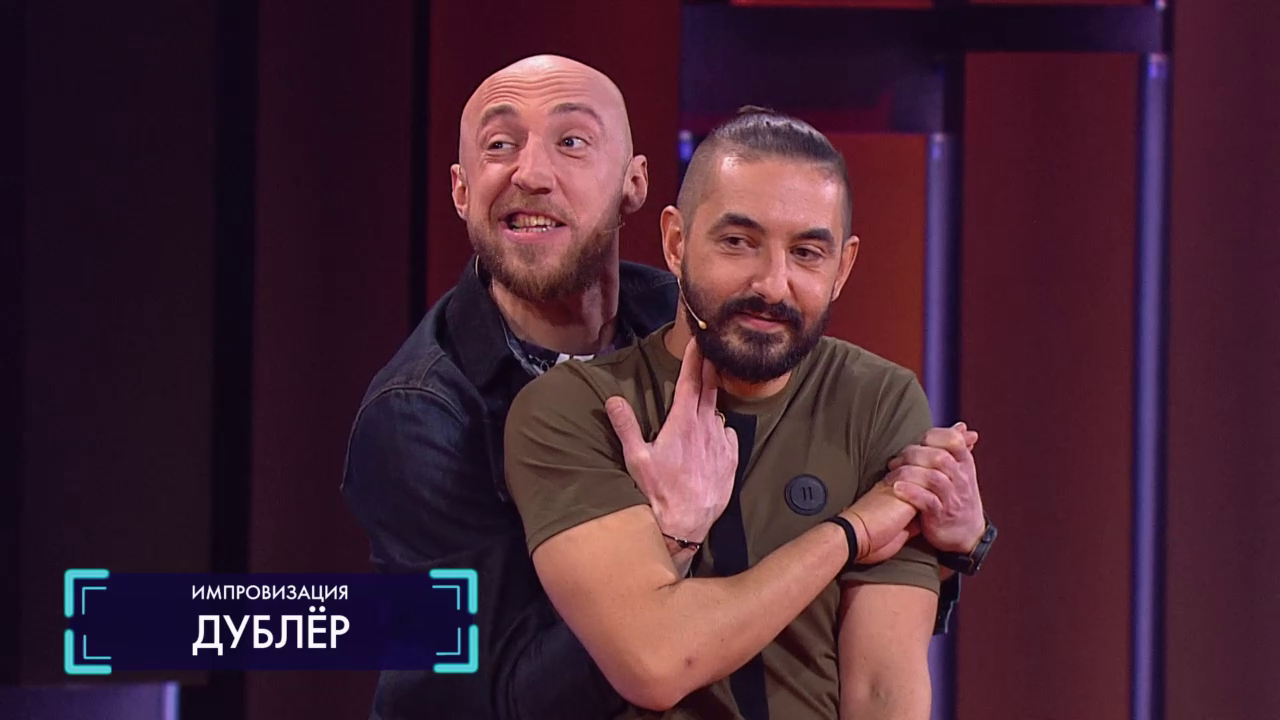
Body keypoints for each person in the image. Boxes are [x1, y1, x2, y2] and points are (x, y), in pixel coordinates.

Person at [342, 55, 991, 720]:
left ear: (635, 185)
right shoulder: (415, 416)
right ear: (459, 190)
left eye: (571, 141)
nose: (530, 173)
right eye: (500, 145)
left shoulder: (705, 318)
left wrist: (947, 540)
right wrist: (674, 538)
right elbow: (498, 694)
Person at [502, 107, 995, 719]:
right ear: (676, 242)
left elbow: (882, 691)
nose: (773, 284)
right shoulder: (571, 410)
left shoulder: (878, 400)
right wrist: (849, 533)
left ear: (842, 268)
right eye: (738, 242)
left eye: (807, 253)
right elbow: (656, 663)